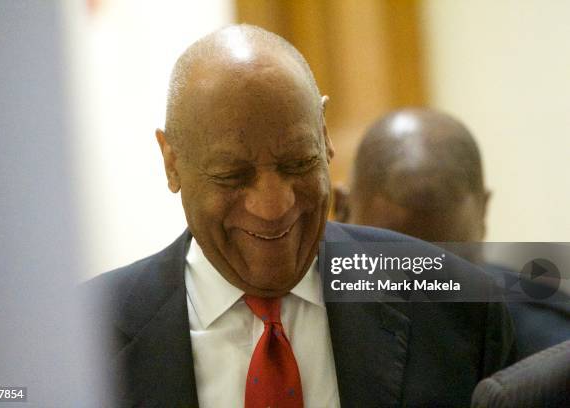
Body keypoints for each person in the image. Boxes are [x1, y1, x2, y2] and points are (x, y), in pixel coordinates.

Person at [85, 26, 515, 407]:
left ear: (325, 136)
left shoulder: (457, 307)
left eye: (297, 163)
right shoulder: (82, 336)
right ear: (171, 162)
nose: (273, 207)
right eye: (233, 175)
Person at [335, 108, 570, 360]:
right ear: (341, 209)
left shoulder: (551, 352)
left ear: (484, 211)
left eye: (449, 267)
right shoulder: (304, 330)